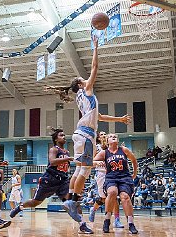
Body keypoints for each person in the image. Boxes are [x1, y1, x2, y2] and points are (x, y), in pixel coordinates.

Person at [46, 35, 130, 233]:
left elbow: (99, 116)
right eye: (84, 80)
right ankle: (73, 201)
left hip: (80, 133)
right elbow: (94, 68)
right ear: (81, 84)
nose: (87, 80)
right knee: (84, 171)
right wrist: (95, 47)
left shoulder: (82, 98)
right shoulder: (88, 90)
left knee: (78, 170)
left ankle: (72, 200)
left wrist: (119, 120)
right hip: (86, 135)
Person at [9, 128, 73, 220]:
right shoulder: (54, 149)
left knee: (72, 201)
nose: (64, 137)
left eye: (64, 135)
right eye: (61, 135)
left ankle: (82, 223)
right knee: (35, 202)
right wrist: (68, 159)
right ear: (56, 139)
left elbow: (66, 166)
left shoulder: (67, 152)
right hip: (49, 179)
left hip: (62, 180)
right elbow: (52, 162)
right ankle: (19, 208)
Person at [94, 134, 138, 234]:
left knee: (125, 196)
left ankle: (131, 224)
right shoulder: (104, 153)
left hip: (124, 177)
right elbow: (91, 162)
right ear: (107, 141)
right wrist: (97, 163)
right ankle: (107, 220)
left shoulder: (123, 150)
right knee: (112, 192)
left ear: (117, 140)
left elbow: (134, 160)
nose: (114, 137)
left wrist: (134, 174)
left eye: (115, 136)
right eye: (111, 136)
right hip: (111, 178)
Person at [89, 131, 124, 228]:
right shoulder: (96, 147)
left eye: (105, 134)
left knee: (114, 196)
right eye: (102, 135)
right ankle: (93, 209)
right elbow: (91, 161)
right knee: (104, 198)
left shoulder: (112, 148)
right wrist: (97, 162)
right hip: (101, 173)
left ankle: (116, 220)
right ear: (99, 138)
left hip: (112, 173)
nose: (104, 136)